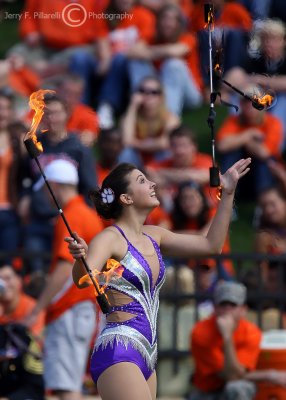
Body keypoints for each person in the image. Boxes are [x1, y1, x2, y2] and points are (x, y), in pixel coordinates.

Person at [65, 157, 251, 399]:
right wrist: (81, 258)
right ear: (126, 198)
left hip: (147, 354)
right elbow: (83, 279)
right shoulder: (110, 237)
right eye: (142, 180)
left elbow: (211, 245)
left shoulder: (156, 235)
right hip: (119, 349)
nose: (152, 183)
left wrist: (227, 194)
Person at [23, 159, 104, 400]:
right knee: (66, 384)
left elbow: (63, 269)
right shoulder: (85, 213)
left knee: (65, 388)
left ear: (55, 186)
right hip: (80, 308)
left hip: (71, 308)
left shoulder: (72, 217)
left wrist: (37, 309)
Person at [189, 281, 262, 400]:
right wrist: (227, 336)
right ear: (215, 308)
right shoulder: (200, 331)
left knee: (238, 388)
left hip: (236, 386)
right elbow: (230, 375)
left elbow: (237, 376)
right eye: (223, 305)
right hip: (207, 392)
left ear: (243, 310)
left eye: (233, 305)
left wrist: (227, 337)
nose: (227, 310)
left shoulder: (251, 332)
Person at [216, 85, 283, 197]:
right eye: (246, 101)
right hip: (242, 177)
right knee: (231, 154)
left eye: (254, 101)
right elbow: (222, 145)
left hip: (265, 176)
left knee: (265, 161)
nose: (249, 105)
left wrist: (240, 140)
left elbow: (264, 153)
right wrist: (249, 134)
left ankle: (264, 201)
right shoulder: (233, 121)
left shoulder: (273, 122)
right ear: (241, 104)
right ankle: (227, 197)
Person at [0, 264, 45, 400]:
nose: (3, 284)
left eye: (8, 278)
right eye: (0, 279)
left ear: (19, 281)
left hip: (30, 380)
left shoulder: (32, 310)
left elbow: (35, 349)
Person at [119, 76, 180, 167]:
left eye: (154, 92)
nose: (148, 95)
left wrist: (136, 143)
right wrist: (133, 106)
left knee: (167, 152)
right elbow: (126, 141)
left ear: (161, 96)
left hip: (159, 160)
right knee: (126, 153)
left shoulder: (170, 117)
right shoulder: (131, 116)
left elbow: (165, 143)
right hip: (138, 159)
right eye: (142, 91)